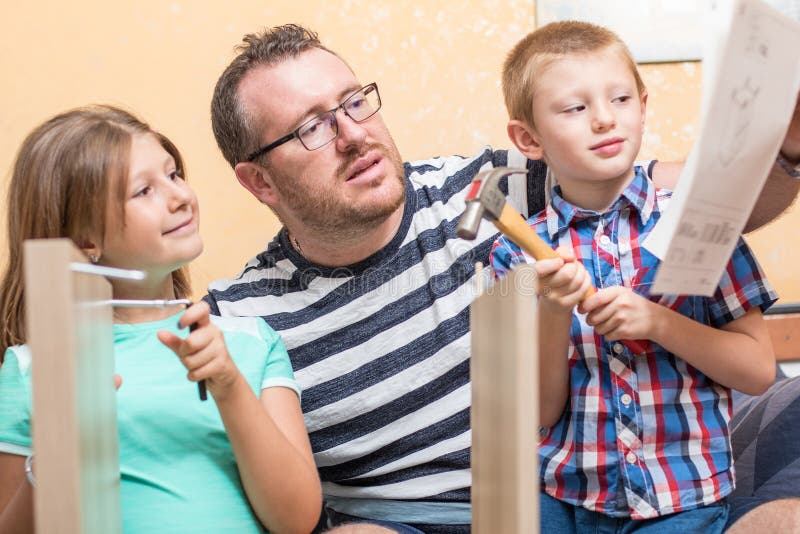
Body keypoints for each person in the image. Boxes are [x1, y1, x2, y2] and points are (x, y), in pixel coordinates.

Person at [205, 24, 800, 532]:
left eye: (355, 102)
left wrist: (786, 151)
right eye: (312, 127)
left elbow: (714, 202)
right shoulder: (243, 317)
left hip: (640, 475)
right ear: (259, 182)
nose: (354, 133)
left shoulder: (492, 187)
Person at [490, 21, 777, 531]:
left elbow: (756, 371)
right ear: (527, 138)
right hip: (563, 503)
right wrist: (554, 311)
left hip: (682, 501)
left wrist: (658, 322)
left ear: (643, 106)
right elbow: (541, 412)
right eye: (576, 108)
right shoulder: (515, 253)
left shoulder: (699, 221)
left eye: (620, 99)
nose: (604, 120)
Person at [0, 105, 321, 533]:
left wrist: (228, 385)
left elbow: (297, 521)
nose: (180, 196)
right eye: (143, 191)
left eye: (173, 175)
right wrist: (59, 452)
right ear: (85, 239)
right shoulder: (32, 370)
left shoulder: (249, 342)